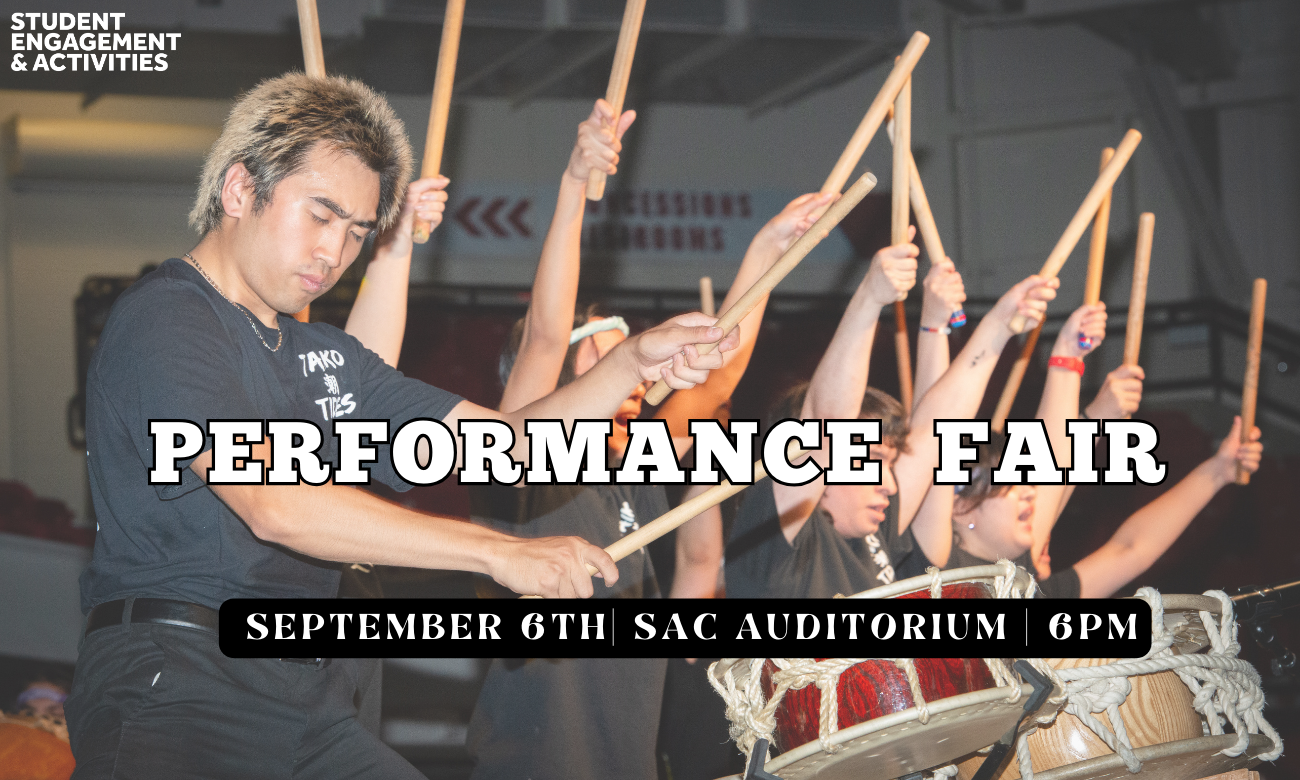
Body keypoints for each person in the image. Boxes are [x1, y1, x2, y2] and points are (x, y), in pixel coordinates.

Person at [66, 73, 739, 780]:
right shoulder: (170, 317)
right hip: (180, 683)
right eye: (320, 216)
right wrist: (493, 551)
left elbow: (504, 444)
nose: (335, 253)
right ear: (240, 190)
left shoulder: (321, 355)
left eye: (358, 232)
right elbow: (276, 503)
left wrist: (630, 362)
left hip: (305, 698)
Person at [464, 98, 831, 780]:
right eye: (602, 358)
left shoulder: (634, 460)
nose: (626, 374)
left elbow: (718, 378)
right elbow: (546, 334)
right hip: (538, 757)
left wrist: (766, 252)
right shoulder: (518, 456)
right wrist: (574, 185)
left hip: (629, 755)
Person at [943, 304, 1263, 598]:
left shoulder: (1031, 590)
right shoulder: (935, 574)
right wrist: (1068, 366)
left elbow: (1130, 548)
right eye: (1010, 484)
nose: (1029, 491)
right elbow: (1050, 466)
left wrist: (1218, 471)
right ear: (960, 506)